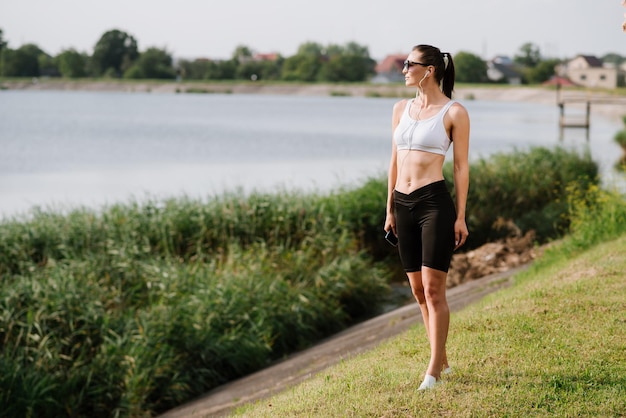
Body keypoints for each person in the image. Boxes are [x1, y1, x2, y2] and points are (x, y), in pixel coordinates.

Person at [383, 44, 470, 390]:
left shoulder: (454, 112)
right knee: (418, 292)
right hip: (402, 204)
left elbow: (462, 167)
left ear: (429, 70)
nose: (403, 69)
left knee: (434, 291)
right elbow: (393, 159)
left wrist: (461, 216)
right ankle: (443, 360)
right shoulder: (400, 108)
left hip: (434, 203)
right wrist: (388, 206)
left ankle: (432, 371)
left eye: (409, 64)